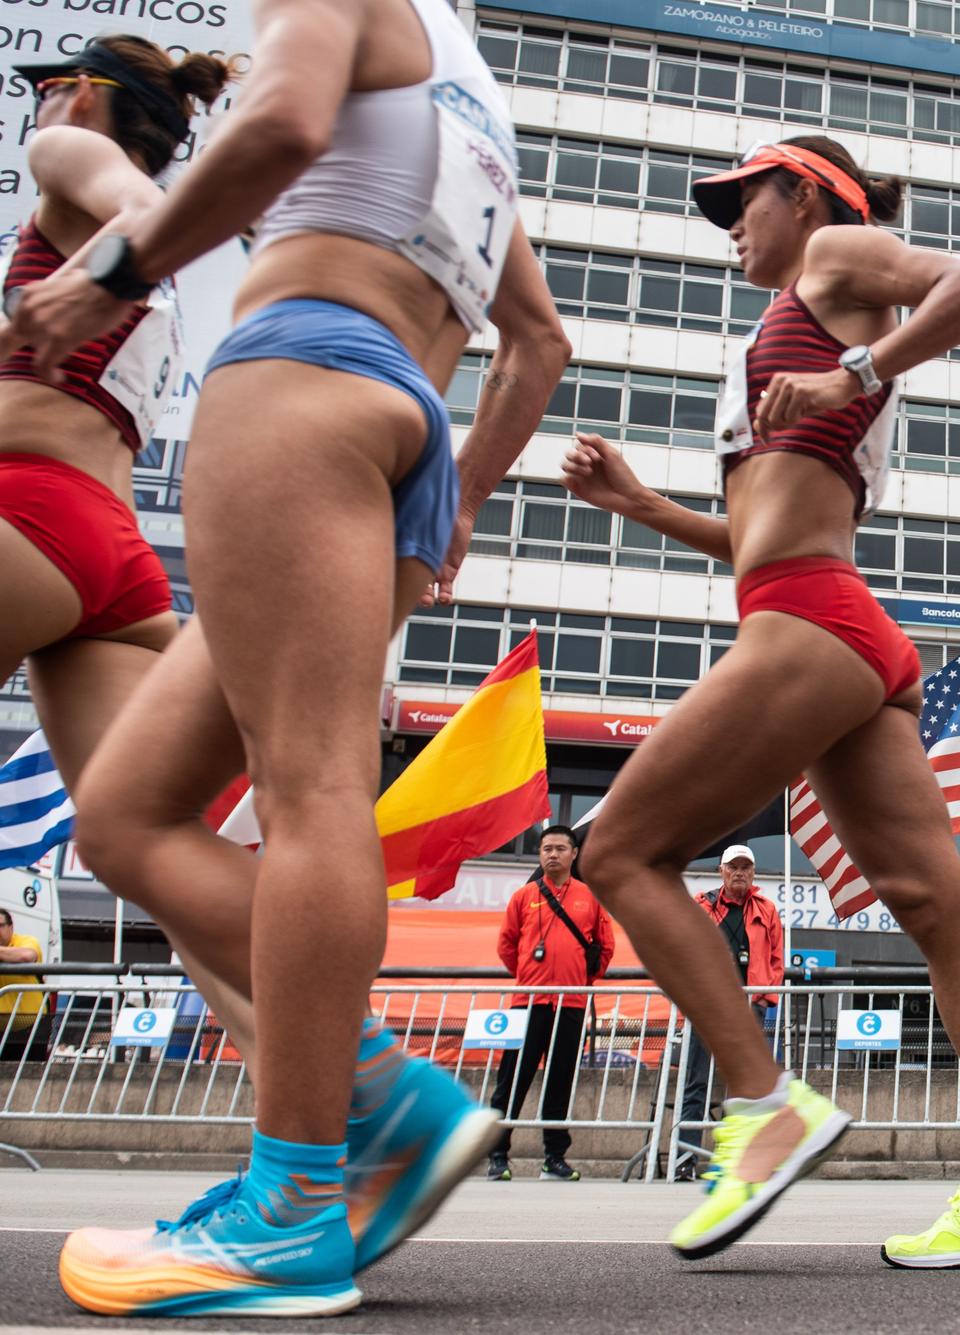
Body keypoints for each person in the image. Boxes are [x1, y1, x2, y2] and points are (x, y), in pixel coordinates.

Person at [3, 0, 570, 1315]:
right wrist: (464, 497)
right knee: (126, 812)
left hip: (304, 372)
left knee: (309, 791)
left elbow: (281, 120)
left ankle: (296, 1202)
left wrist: (116, 268)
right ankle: (379, 1094)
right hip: (408, 423)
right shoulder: (470, 92)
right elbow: (539, 342)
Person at [558, 133, 960, 1265]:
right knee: (939, 911)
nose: (728, 223)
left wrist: (857, 371)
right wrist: (642, 505)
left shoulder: (837, 256)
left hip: (810, 623)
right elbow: (757, 536)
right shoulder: (792, 318)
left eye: (739, 200)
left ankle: (763, 1105)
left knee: (617, 856)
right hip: (837, 625)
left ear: (804, 193)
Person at [0, 37, 231, 1074]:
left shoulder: (70, 162)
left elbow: (143, 223)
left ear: (81, 95)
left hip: (27, 510)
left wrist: (94, 272)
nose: (36, 117)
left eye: (45, 96)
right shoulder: (160, 285)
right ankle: (363, 1088)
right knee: (153, 854)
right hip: (110, 560)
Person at [487, 825, 614, 1184]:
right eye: (547, 849)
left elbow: (604, 947)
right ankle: (498, 1155)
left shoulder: (590, 897)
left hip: (571, 1004)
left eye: (561, 848)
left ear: (575, 854)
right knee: (511, 1080)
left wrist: (580, 982)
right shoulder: (523, 896)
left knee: (561, 1080)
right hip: (528, 1002)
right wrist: (529, 975)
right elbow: (507, 946)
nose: (553, 854)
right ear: (539, 854)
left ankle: (554, 1157)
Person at [673, 844, 785, 1179]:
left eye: (745, 867)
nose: (739, 872)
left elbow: (777, 959)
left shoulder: (767, 910)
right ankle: (685, 1159)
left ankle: (740, 1163)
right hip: (707, 1007)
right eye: (732, 867)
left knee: (746, 1089)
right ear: (720, 871)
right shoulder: (702, 906)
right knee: (696, 1084)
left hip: (750, 1009)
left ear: (753, 873)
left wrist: (765, 997)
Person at [0, 907, 50, 1062]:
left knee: (32, 1074)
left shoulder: (26, 941)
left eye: (0, 926)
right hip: (2, 1029)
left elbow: (28, 956)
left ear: (11, 927)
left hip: (32, 1027)